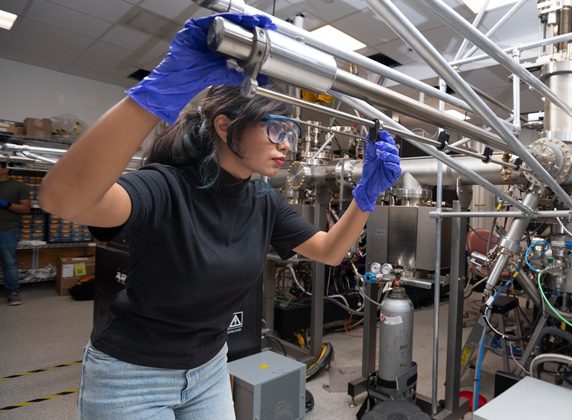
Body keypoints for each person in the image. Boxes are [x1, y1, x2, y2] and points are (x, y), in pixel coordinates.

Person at [38, 12, 401, 420]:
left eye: (292, 134)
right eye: (278, 129)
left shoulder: (262, 199)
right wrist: (156, 93)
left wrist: (366, 196)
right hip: (132, 375)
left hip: (209, 368)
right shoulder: (166, 186)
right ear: (226, 126)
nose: (288, 145)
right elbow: (62, 199)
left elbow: (330, 251)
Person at [0, 162, 31, 306]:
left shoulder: (18, 186)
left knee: (9, 263)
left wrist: (7, 204)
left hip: (7, 229)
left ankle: (12, 292)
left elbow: (25, 209)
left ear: (5, 169)